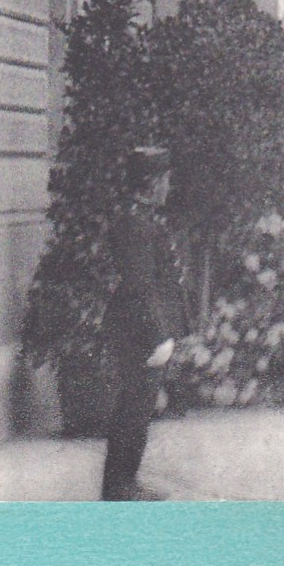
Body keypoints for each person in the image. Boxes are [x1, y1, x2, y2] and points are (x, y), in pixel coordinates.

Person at [100, 146, 186, 501]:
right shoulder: (136, 223)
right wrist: (158, 335)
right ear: (150, 182)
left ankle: (124, 483)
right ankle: (120, 486)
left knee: (138, 407)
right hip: (139, 330)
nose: (168, 187)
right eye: (165, 180)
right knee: (134, 409)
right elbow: (139, 285)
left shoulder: (139, 217)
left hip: (137, 326)